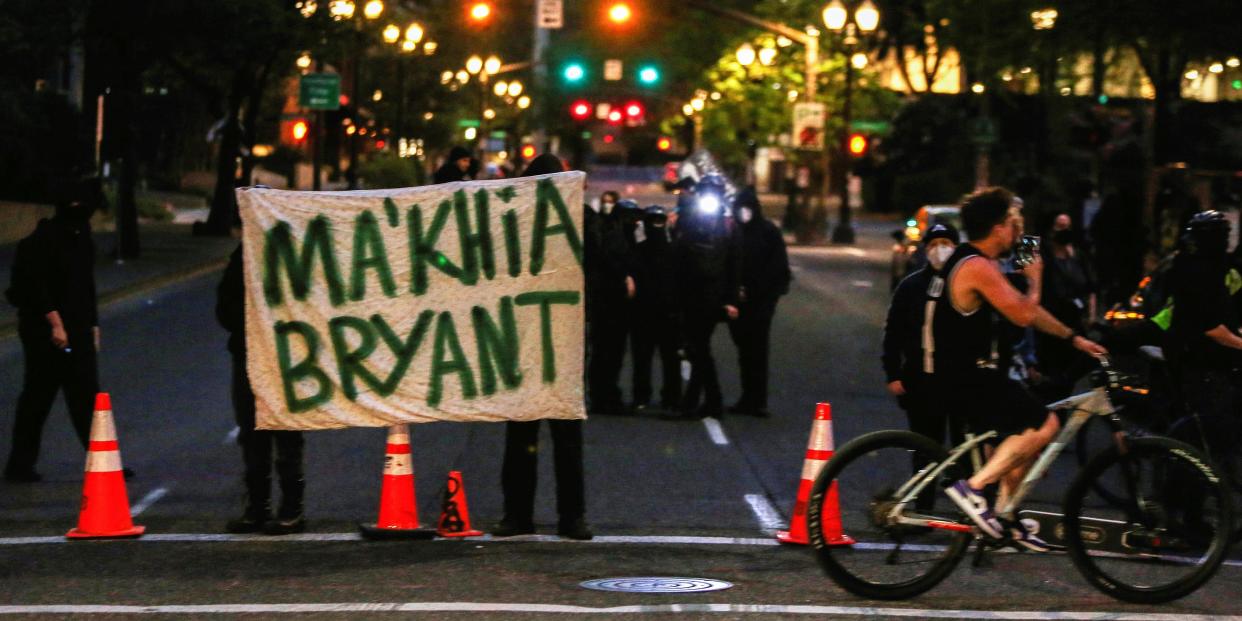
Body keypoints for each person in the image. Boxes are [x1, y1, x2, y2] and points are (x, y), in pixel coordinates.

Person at [933, 187, 1107, 550]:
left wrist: (1074, 338)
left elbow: (1025, 310)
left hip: (980, 372)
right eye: (1014, 222)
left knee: (1023, 438)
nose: (1020, 228)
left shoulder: (989, 262)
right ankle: (973, 489)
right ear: (998, 227)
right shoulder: (976, 266)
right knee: (1044, 424)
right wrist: (1036, 277)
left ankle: (1005, 517)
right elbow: (1024, 312)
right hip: (966, 377)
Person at [495, 153, 592, 540]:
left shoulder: (578, 223)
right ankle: (570, 517)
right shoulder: (514, 223)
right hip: (538, 342)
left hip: (549, 342)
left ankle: (521, 515)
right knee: (547, 437)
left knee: (530, 436)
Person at [3, 177, 115, 483]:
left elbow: (85, 287)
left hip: (74, 328)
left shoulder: (81, 238)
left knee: (84, 397)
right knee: (40, 397)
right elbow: (36, 287)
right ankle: (20, 464)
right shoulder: (44, 241)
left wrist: (92, 325)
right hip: (45, 331)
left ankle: (101, 457)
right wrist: (55, 323)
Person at [216, 240, 306, 534]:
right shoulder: (242, 257)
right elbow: (223, 308)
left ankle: (288, 508)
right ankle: (261, 507)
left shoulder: (294, 253)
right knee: (254, 431)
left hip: (285, 355)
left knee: (285, 431)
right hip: (252, 354)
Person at [882, 223, 963, 453]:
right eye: (934, 244)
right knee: (924, 449)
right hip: (922, 382)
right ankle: (925, 487)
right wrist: (893, 374)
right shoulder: (911, 285)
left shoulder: (967, 283)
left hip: (962, 382)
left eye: (946, 244)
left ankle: (962, 486)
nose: (940, 249)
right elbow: (894, 331)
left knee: (966, 451)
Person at [1166, 211, 1242, 451]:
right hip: (1198, 359)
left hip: (1206, 355)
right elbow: (1210, 328)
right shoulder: (1197, 271)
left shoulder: (1210, 266)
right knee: (1211, 428)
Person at [674, 174, 741, 419]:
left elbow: (734, 264)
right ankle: (705, 401)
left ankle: (703, 401)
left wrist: (731, 299)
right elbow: (679, 256)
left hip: (712, 296)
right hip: (690, 292)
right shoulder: (689, 219)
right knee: (696, 348)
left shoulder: (727, 225)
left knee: (699, 347)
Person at [727, 187, 790, 417]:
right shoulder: (733, 231)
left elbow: (778, 268)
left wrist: (764, 295)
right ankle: (748, 397)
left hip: (761, 302)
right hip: (739, 302)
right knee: (745, 351)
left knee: (757, 352)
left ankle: (757, 399)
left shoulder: (767, 232)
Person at [1034, 213, 1097, 400]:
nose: (1064, 232)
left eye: (1067, 227)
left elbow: (1091, 287)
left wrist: (1091, 314)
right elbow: (1020, 281)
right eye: (1059, 227)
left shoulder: (1078, 254)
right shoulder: (1032, 246)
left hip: (1074, 321)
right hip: (1045, 322)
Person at [584, 191, 634, 416]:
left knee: (606, 352)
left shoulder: (610, 233)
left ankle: (603, 395)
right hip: (609, 301)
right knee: (608, 352)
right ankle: (605, 396)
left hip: (607, 301)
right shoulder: (613, 236)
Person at [631, 205, 682, 413]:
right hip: (645, 312)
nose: (657, 226)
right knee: (643, 358)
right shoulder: (639, 251)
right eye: (654, 221)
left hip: (667, 313)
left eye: (660, 221)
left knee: (669, 359)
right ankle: (643, 396)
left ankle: (670, 397)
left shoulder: (673, 251)